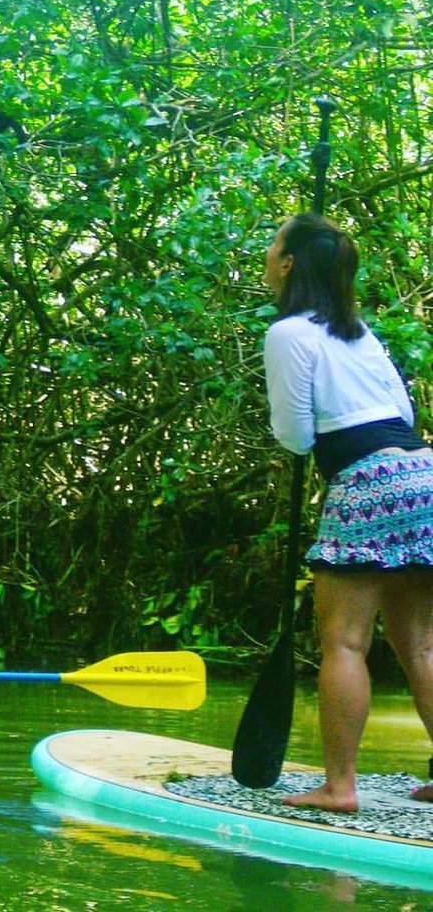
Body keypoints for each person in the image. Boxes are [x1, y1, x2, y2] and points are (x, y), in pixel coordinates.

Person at [262, 212, 433, 811]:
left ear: (288, 265)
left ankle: (339, 787)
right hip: (423, 472)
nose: (267, 255)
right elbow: (403, 413)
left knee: (344, 643)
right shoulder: (357, 331)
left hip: (367, 481)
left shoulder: (287, 334)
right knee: (422, 645)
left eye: (273, 247)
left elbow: (296, 437)